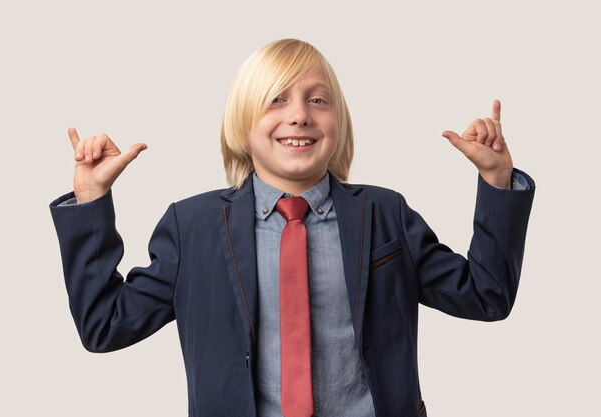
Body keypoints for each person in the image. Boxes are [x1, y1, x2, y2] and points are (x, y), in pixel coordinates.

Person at [49, 38, 535, 417]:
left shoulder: (385, 214)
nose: (299, 115)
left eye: (318, 100)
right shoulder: (192, 226)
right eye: (276, 99)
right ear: (243, 122)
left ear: (339, 122)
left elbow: (486, 294)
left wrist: (496, 181)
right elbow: (104, 325)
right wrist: (91, 201)